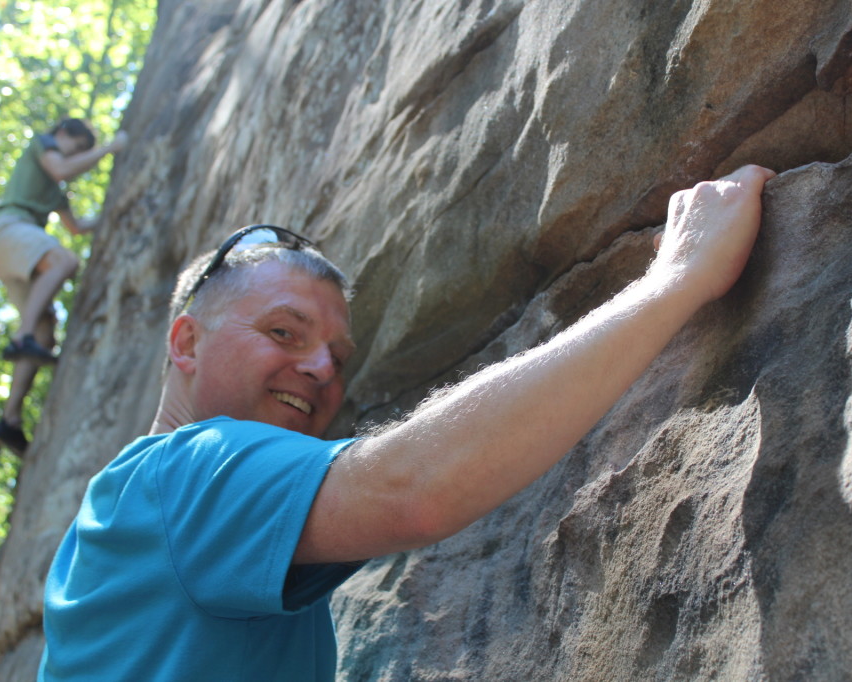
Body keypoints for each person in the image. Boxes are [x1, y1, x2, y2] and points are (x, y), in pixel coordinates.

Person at [38, 165, 776, 681]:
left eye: (337, 353)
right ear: (186, 341)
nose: (324, 370)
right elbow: (415, 490)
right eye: (285, 333)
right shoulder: (185, 471)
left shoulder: (119, 517)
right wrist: (677, 279)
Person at [0, 118, 128, 456]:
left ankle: (10, 420)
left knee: (47, 331)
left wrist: (115, 212)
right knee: (63, 261)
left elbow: (76, 227)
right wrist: (110, 148)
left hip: (15, 249)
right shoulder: (43, 143)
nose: (77, 157)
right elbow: (60, 168)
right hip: (9, 228)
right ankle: (22, 336)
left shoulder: (55, 193)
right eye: (76, 148)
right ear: (62, 135)